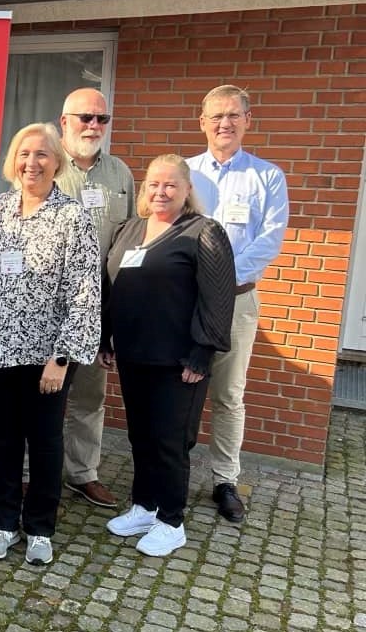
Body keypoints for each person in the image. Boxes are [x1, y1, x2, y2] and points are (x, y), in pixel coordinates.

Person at [0, 122, 101, 566]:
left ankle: (41, 529)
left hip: (46, 356)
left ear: (57, 162)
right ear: (14, 160)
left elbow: (85, 293)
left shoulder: (72, 216)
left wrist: (61, 358)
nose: (33, 162)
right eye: (25, 154)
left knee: (45, 442)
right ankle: (4, 523)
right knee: (6, 440)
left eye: (43, 155)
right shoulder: (0, 208)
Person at [102, 154, 236, 556]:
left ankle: (171, 520)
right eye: (153, 184)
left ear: (187, 190)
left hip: (178, 361)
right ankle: (144, 506)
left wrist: (202, 353)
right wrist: (106, 338)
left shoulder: (203, 232)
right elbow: (111, 286)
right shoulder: (130, 229)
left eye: (171, 185)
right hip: (133, 354)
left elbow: (218, 298)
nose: (161, 192)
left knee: (170, 442)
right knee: (140, 436)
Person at [187, 85, 289, 523]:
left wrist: (220, 279)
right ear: (202, 121)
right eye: (216, 116)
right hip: (187, 301)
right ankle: (168, 472)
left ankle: (225, 480)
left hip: (238, 302)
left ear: (248, 119)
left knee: (229, 395)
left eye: (233, 115)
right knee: (182, 389)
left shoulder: (267, 177)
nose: (224, 124)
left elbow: (269, 241)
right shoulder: (186, 172)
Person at [55, 88, 135, 509]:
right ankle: (38, 475)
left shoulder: (120, 173)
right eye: (85, 117)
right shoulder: (44, 163)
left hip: (98, 305)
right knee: (43, 393)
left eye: (101, 119)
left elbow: (130, 242)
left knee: (90, 395)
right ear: (64, 121)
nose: (94, 126)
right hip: (47, 302)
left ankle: (82, 473)